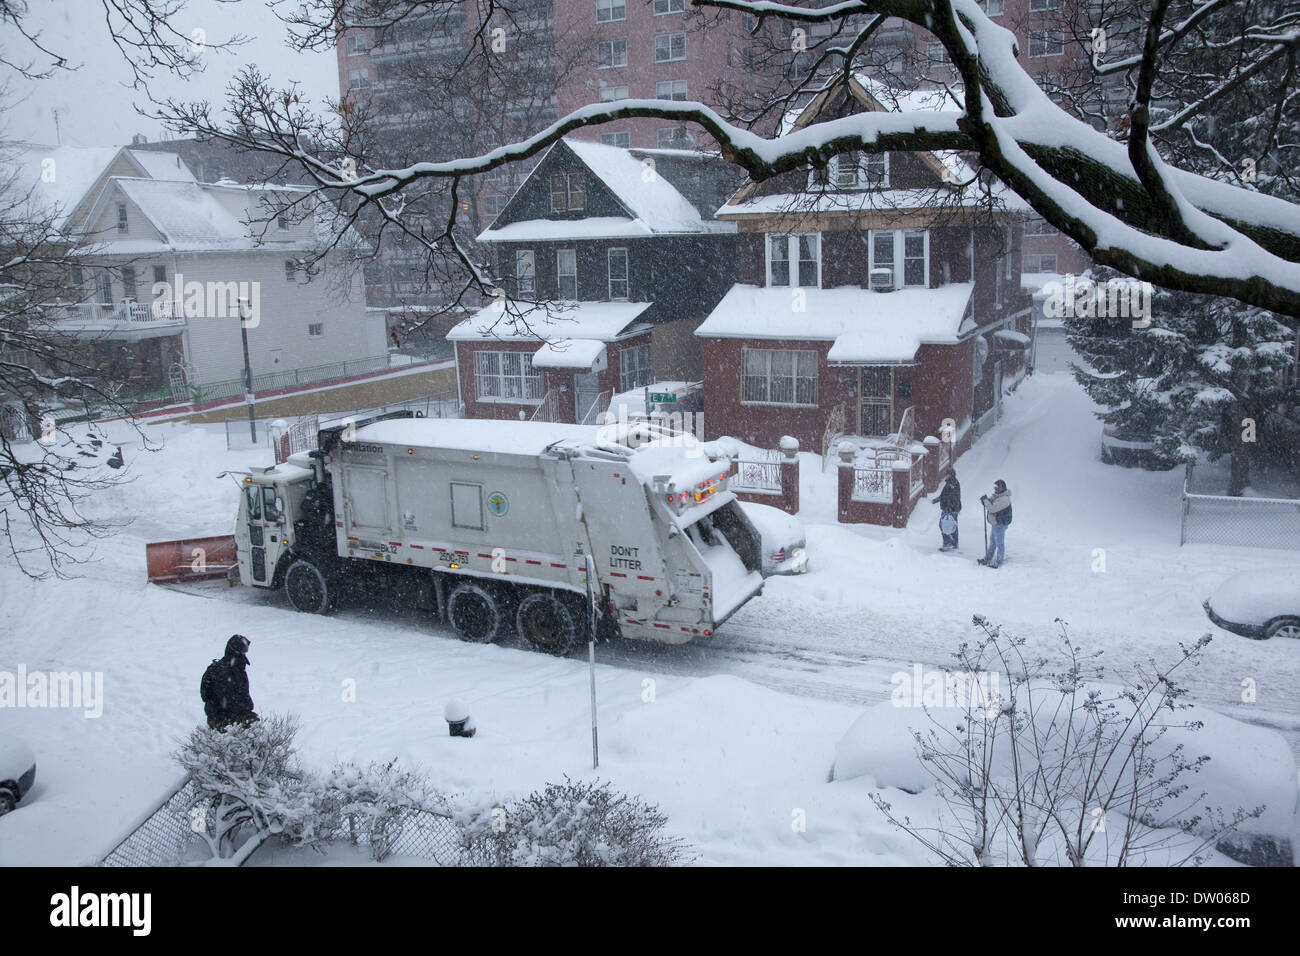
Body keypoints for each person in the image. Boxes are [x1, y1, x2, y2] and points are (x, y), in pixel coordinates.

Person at [200, 635, 259, 731]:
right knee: (253, 731)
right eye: (244, 650)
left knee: (255, 730)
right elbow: (227, 697)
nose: (245, 653)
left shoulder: (235, 668)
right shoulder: (227, 670)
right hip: (223, 718)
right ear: (236, 650)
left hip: (222, 716)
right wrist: (241, 714)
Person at [978, 480, 1013, 568]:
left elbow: (992, 509)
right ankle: (988, 558)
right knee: (993, 542)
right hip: (996, 523)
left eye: (997, 487)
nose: (995, 489)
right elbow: (991, 502)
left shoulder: (1004, 499)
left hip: (1000, 523)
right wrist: (986, 500)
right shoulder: (998, 496)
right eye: (995, 487)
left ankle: (999, 561)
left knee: (999, 542)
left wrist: (986, 501)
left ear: (1001, 488)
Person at [931, 469, 962, 550]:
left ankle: (948, 543)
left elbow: (953, 497)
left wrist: (949, 508)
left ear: (951, 474)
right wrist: (936, 500)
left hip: (950, 509)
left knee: (945, 525)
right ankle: (954, 543)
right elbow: (944, 495)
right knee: (952, 525)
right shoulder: (951, 483)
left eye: (947, 474)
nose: (946, 475)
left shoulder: (952, 484)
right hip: (951, 508)